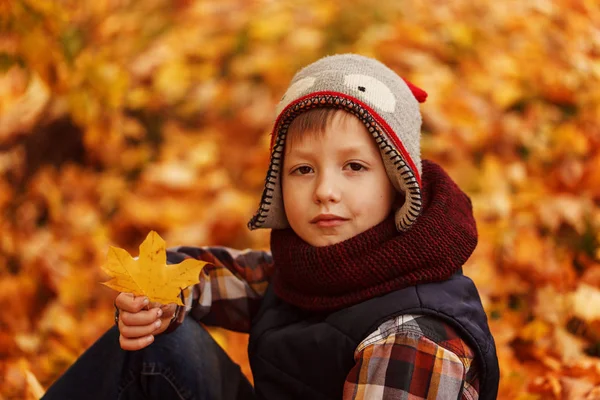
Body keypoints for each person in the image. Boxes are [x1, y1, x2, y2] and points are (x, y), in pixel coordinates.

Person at [43, 54, 499, 400]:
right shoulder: (317, 271)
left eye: (354, 167)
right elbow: (226, 277)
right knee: (154, 345)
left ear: (400, 183)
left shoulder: (411, 338)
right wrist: (157, 298)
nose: (325, 191)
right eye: (303, 170)